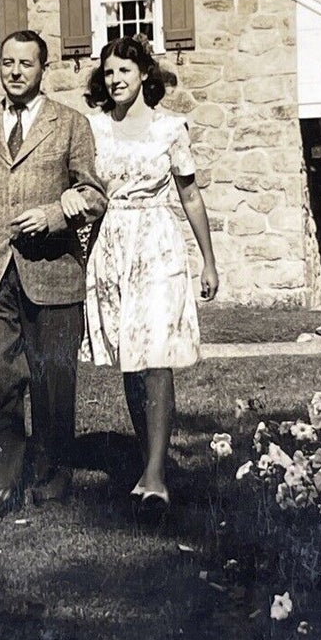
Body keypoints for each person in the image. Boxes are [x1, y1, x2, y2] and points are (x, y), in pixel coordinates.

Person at [0, 29, 106, 514]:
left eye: (25, 64)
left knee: (53, 380)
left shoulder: (70, 124)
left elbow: (94, 195)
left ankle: (52, 481)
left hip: (53, 271)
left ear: (43, 69)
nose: (15, 72)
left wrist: (56, 213)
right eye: (7, 62)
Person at [61, 36, 219, 505]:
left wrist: (208, 260)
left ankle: (154, 475)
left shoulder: (170, 128)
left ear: (144, 75)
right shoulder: (94, 129)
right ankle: (150, 458)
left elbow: (190, 195)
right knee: (130, 357)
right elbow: (83, 187)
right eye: (108, 73)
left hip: (157, 244)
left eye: (124, 71)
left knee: (156, 353)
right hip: (111, 246)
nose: (115, 80)